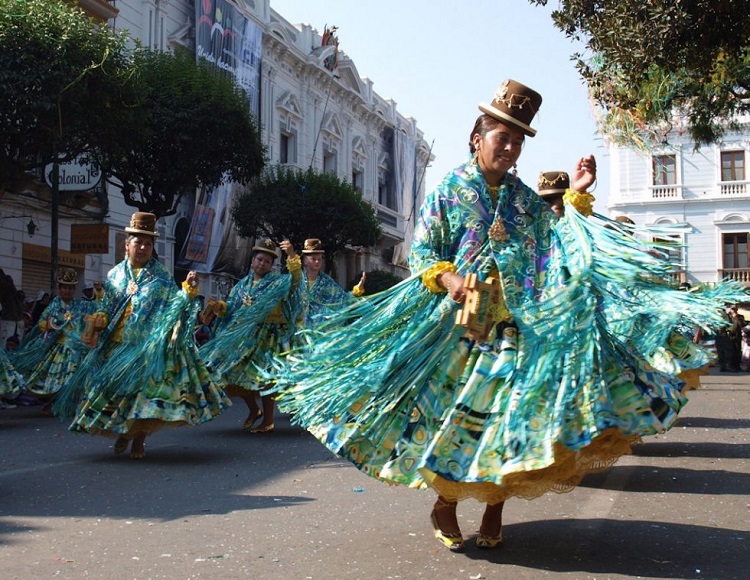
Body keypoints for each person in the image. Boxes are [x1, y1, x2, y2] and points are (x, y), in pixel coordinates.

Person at [268, 79, 746, 552]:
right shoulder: (449, 191)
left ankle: (495, 508)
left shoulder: (523, 200)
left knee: (513, 421)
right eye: (504, 138)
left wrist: (575, 197)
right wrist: (451, 280)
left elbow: (554, 247)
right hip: (457, 330)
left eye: (518, 141)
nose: (511, 148)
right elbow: (424, 253)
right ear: (478, 139)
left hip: (516, 326)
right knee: (455, 423)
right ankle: (445, 503)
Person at [54, 212, 230, 458]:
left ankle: (138, 439)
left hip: (146, 348)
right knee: (113, 392)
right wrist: (99, 319)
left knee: (141, 396)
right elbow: (107, 307)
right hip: (116, 346)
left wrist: (188, 292)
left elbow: (174, 306)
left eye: (148, 243)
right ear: (128, 244)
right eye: (139, 242)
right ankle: (122, 433)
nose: (144, 247)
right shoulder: (115, 275)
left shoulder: (161, 276)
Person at [200, 238, 303, 433]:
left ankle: (269, 420)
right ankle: (254, 410)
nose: (262, 264)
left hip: (268, 338)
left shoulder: (277, 283)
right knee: (234, 375)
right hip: (244, 339)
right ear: (252, 261)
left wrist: (291, 255)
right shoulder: (241, 286)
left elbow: (295, 281)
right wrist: (219, 307)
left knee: (264, 379)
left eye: (267, 261)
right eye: (259, 259)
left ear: (272, 265)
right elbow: (231, 308)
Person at [11, 267, 96, 415]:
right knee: (56, 380)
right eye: (64, 288)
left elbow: (96, 309)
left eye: (70, 288)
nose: (67, 291)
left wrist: (99, 293)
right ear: (59, 288)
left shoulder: (81, 305)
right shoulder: (54, 305)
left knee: (73, 378)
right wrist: (50, 325)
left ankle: (64, 403)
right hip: (58, 347)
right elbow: (42, 323)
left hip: (77, 347)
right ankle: (55, 402)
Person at [300, 238, 366, 330]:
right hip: (296, 331)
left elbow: (342, 300)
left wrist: (356, 291)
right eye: (313, 259)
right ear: (305, 261)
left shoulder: (327, 283)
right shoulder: (296, 280)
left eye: (320, 259)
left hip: (318, 333)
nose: (317, 261)